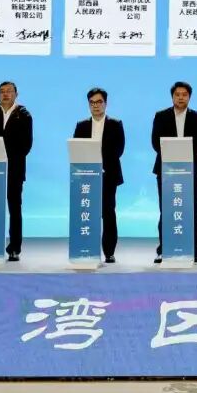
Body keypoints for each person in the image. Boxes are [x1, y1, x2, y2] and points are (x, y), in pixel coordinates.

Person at [151, 81, 197, 264]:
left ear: (189, 97)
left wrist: (183, 157)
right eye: (177, 94)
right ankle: (163, 250)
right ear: (172, 97)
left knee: (192, 209)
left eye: (184, 94)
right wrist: (173, 156)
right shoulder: (161, 116)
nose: (181, 97)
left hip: (191, 169)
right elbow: (155, 142)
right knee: (166, 210)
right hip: (166, 169)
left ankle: (196, 250)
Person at [0, 81, 33, 262]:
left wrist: (6, 157)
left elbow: (26, 145)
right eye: (2, 91)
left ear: (16, 94)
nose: (5, 94)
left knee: (14, 208)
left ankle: (15, 247)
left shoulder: (24, 115)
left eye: (9, 91)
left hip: (14, 170)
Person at [73, 87, 126, 264]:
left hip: (108, 175)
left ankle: (109, 252)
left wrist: (101, 164)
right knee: (87, 212)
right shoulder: (81, 125)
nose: (95, 105)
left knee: (108, 212)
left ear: (105, 103)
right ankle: (86, 248)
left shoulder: (116, 124)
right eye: (92, 102)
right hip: (86, 176)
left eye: (99, 102)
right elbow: (77, 149)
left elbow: (119, 150)